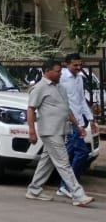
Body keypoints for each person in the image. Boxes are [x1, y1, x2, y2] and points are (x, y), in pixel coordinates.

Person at [25, 59, 93, 206]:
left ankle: (34, 189)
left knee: (47, 161)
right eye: (57, 71)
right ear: (47, 71)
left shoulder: (60, 87)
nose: (60, 73)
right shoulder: (39, 88)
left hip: (61, 129)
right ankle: (78, 195)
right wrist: (31, 130)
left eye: (60, 71)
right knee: (63, 162)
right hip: (50, 131)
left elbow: (66, 109)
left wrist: (78, 125)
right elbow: (30, 109)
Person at [58, 53, 96, 198]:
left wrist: (91, 119)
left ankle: (64, 185)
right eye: (75, 65)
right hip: (68, 121)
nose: (79, 68)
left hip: (78, 121)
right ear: (67, 64)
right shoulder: (61, 78)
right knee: (82, 152)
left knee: (69, 154)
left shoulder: (79, 78)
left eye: (80, 65)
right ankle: (69, 185)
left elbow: (81, 101)